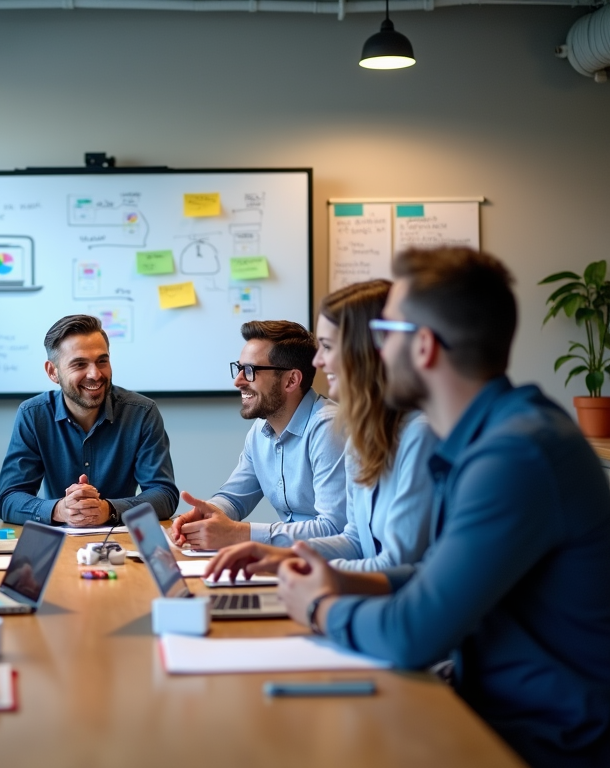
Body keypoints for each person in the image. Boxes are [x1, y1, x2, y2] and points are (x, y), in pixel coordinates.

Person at [276, 248, 610, 768]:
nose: (376, 350)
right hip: (498, 709)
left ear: (425, 347)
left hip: (544, 739)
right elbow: (435, 576)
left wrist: (319, 608)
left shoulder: (514, 454)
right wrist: (340, 581)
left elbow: (413, 633)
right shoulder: (488, 439)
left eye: (386, 332)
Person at [206, 280, 436, 578]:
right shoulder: (362, 434)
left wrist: (293, 567)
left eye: (327, 347)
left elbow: (395, 566)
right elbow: (354, 541)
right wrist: (275, 558)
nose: (318, 361)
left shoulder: (417, 435)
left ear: (368, 350)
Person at [170, 320, 346, 550]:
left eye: (250, 370)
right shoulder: (260, 432)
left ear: (291, 380)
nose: (238, 381)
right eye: (239, 368)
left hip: (334, 569)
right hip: (290, 562)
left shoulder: (329, 429)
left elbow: (334, 528)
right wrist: (208, 514)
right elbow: (234, 498)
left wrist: (239, 534)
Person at [0, 314, 179, 527]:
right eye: (79, 364)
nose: (95, 374)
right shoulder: (33, 414)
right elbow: (9, 499)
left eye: (102, 361)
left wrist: (108, 509)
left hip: (121, 542)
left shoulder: (141, 412)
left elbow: (164, 495)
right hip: (60, 542)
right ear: (52, 372)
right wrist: (59, 510)